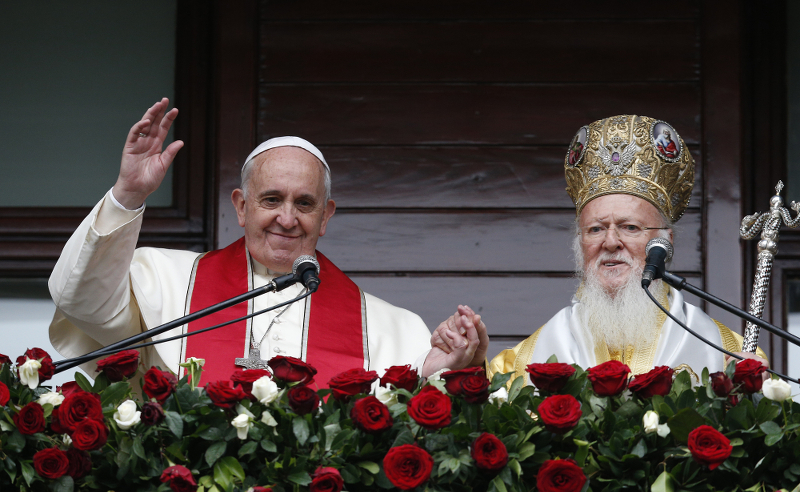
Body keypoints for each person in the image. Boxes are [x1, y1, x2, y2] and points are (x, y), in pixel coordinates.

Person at [48, 99, 487, 385]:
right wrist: (129, 194)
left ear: (325, 216)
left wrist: (433, 374)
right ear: (241, 207)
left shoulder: (393, 329)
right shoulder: (161, 280)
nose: (287, 219)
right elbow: (82, 301)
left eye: (305, 203)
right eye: (271, 199)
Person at [432, 114, 767, 383]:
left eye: (630, 227)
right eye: (595, 229)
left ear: (664, 243)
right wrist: (469, 368)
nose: (610, 242)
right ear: (581, 244)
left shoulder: (730, 355)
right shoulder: (527, 360)